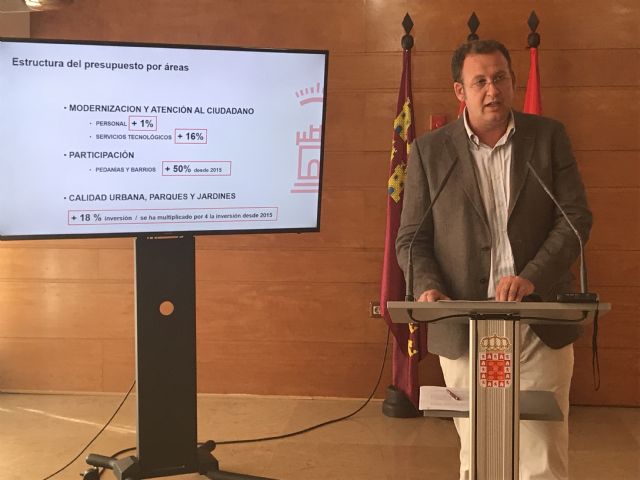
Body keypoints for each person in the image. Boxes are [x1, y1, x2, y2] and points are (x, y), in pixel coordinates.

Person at [395, 40, 592, 480]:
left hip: (539, 321)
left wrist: (531, 276)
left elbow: (575, 219)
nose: (492, 90)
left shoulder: (549, 137)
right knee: (479, 452)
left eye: (500, 78)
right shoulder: (429, 152)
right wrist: (427, 286)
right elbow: (411, 238)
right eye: (480, 81)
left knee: (541, 453)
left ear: (513, 82)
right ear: (460, 91)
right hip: (464, 326)